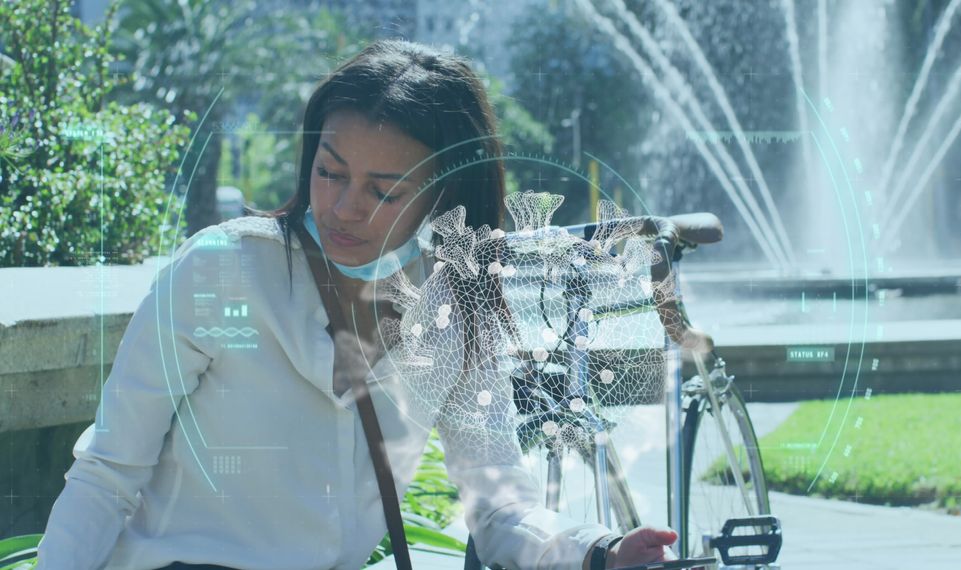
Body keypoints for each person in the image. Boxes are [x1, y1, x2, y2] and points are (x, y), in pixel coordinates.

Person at [36, 40, 678, 569]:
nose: (344, 209)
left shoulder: (455, 303)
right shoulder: (222, 270)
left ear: (444, 195)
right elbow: (107, 473)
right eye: (330, 172)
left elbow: (499, 504)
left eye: (385, 191)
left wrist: (599, 550)